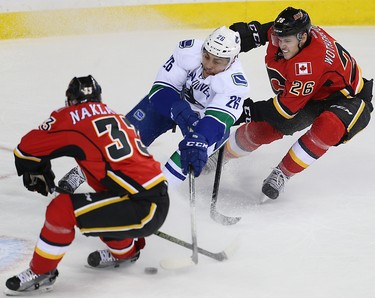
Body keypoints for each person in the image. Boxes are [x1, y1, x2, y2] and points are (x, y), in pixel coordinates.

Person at [5, 75, 169, 295]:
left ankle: (42, 272)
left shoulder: (71, 117)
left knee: (61, 209)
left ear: (71, 100)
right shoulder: (116, 116)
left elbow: (25, 150)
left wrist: (37, 171)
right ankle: (125, 253)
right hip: (152, 199)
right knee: (102, 203)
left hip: (141, 206)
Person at [58, 26, 250, 191]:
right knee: (127, 134)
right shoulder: (189, 51)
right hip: (173, 103)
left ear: (231, 61)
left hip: (202, 120)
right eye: (206, 56)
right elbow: (160, 90)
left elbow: (217, 121)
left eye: (217, 62)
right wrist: (176, 108)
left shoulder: (234, 84)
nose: (208, 65)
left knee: (194, 148)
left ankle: (157, 196)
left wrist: (200, 138)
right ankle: (84, 171)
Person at [218, 7, 373, 200]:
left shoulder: (309, 64)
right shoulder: (288, 35)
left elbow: (282, 110)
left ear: (303, 37)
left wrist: (241, 112)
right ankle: (220, 156)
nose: (282, 46)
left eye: (287, 41)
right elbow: (260, 33)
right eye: (279, 39)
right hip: (315, 93)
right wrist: (226, 42)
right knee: (265, 128)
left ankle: (282, 173)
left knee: (328, 126)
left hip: (349, 99)